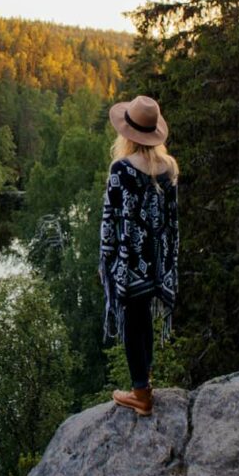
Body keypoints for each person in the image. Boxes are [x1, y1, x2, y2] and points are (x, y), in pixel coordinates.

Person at [98, 94, 179, 416]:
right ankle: (144, 381)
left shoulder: (122, 169)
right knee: (143, 317)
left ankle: (140, 393)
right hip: (156, 263)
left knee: (133, 322)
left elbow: (111, 220)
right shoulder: (169, 167)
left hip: (130, 262)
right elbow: (172, 221)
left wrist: (107, 262)